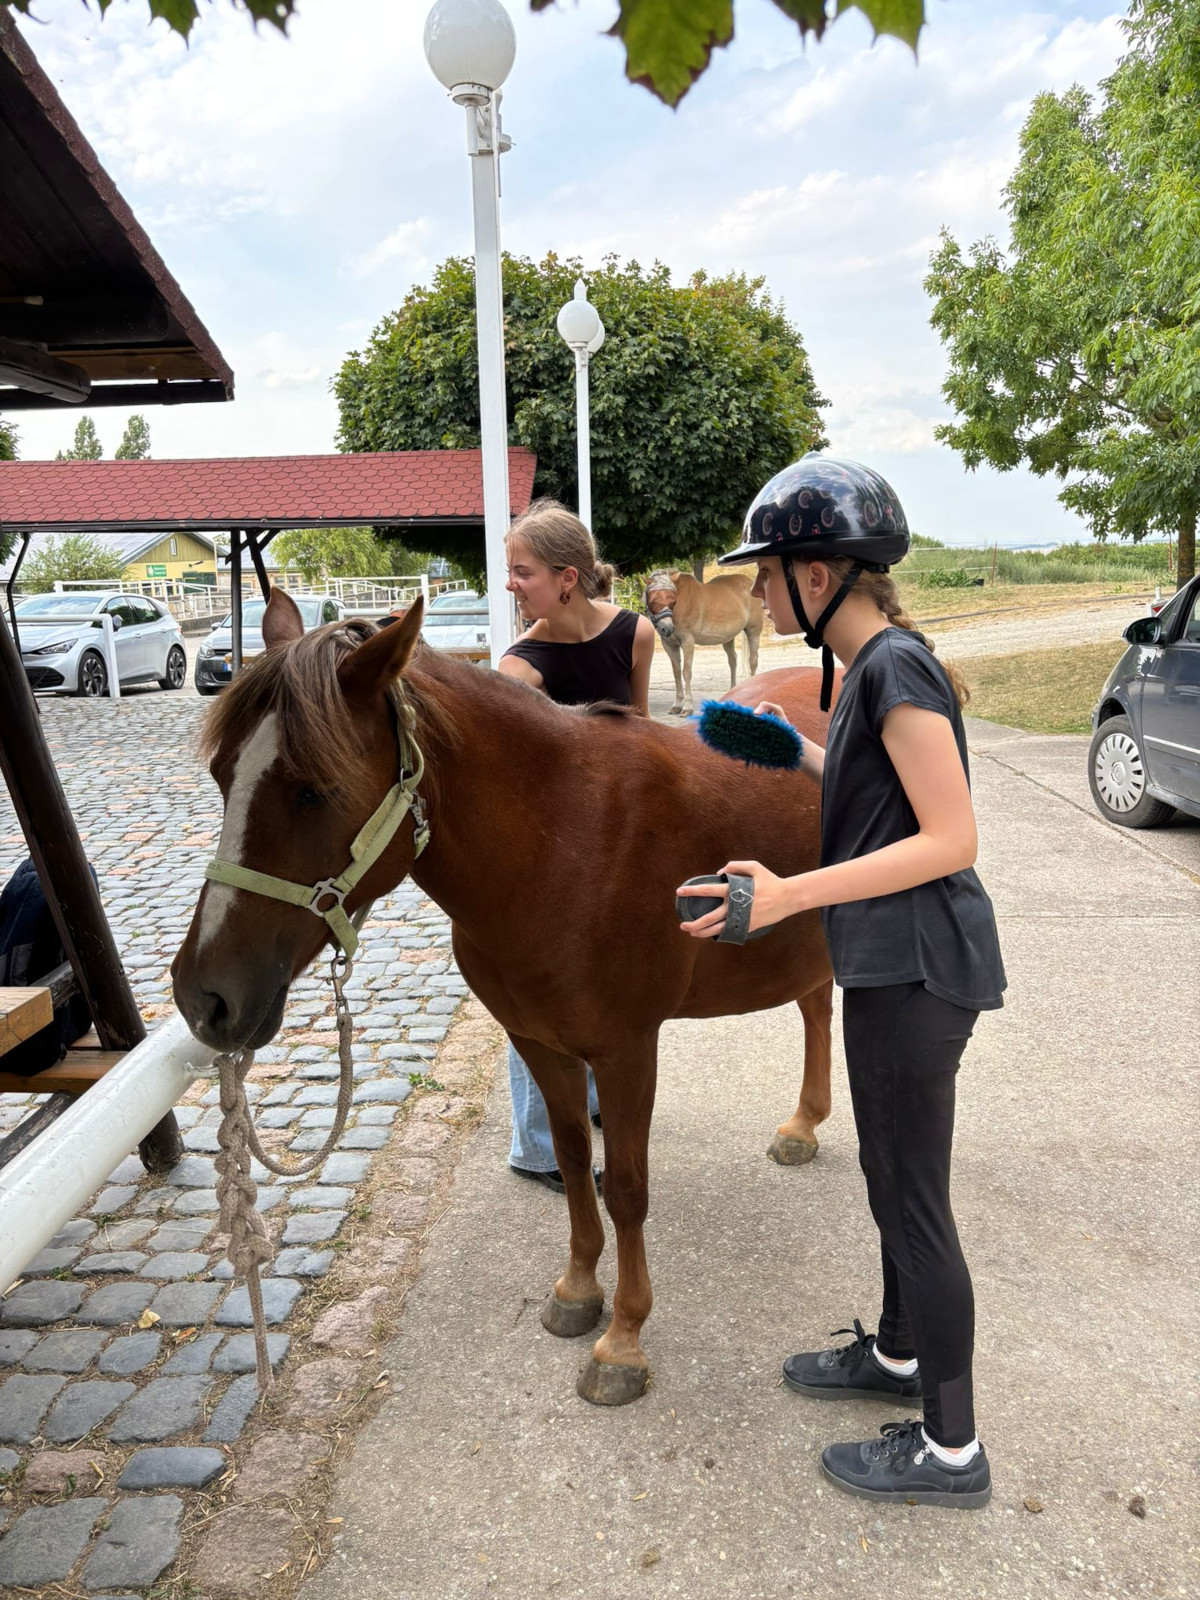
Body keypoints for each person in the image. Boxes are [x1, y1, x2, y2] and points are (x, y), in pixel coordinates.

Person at [678, 455, 1005, 1510]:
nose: (757, 591)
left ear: (818, 576)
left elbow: (950, 838)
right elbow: (881, 793)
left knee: (915, 1203)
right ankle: (901, 1355)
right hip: (887, 962)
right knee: (884, 1176)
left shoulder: (895, 669)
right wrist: (796, 754)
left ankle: (951, 1450)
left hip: (919, 969)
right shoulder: (866, 671)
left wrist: (790, 896)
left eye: (767, 573)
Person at [498, 499, 657, 1194]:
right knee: (539, 997)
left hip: (617, 844)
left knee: (610, 982)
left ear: (567, 579)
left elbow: (643, 737)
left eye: (522, 571)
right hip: (547, 855)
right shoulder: (519, 670)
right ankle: (535, 1148)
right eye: (510, 570)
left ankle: (590, 1097)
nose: (510, 584)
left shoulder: (635, 633)